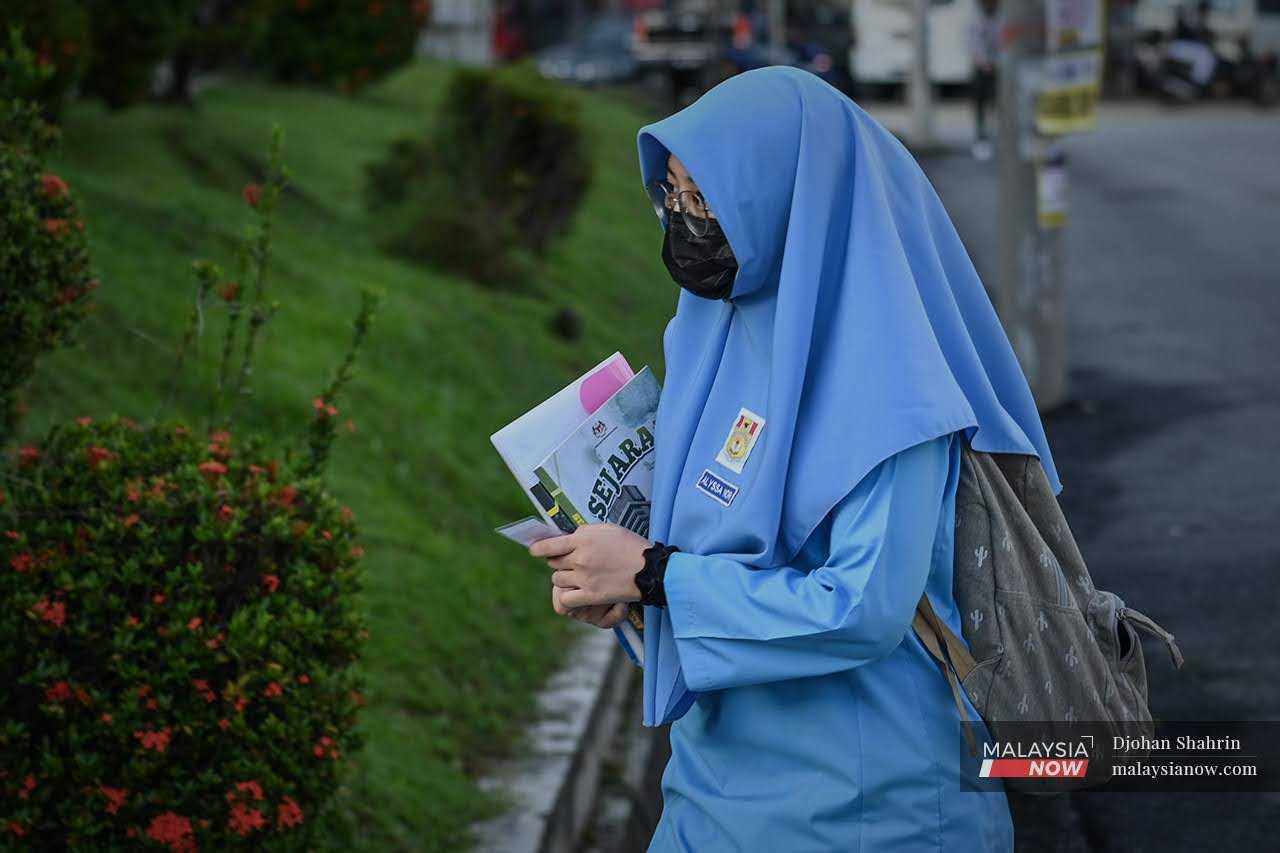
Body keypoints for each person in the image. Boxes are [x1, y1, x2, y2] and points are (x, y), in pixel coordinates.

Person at [529, 66, 1062, 851]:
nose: (685, 221)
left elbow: (863, 609)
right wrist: (626, 595)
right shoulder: (710, 336)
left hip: (868, 810)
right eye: (673, 195)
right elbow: (703, 556)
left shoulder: (894, 383)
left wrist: (654, 576)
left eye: (706, 197)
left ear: (791, 202)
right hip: (710, 794)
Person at [969, 0, 1001, 160]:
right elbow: (974, 44)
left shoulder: (1002, 18)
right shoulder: (977, 20)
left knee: (1000, 103)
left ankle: (997, 135)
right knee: (981, 103)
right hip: (983, 68)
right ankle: (982, 136)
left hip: (1000, 67)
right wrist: (984, 63)